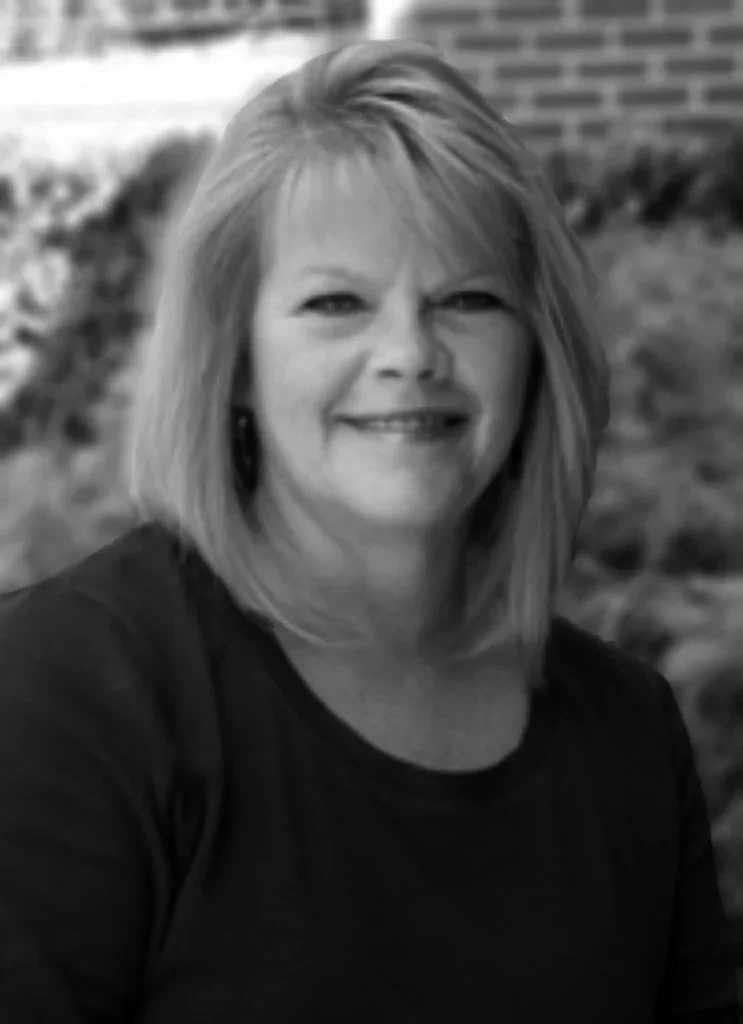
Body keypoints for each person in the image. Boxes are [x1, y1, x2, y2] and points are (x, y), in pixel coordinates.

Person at [0, 37, 738, 1024]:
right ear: (237, 363)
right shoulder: (65, 688)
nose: (408, 353)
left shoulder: (628, 734)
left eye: (466, 299)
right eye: (335, 302)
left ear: (535, 354)